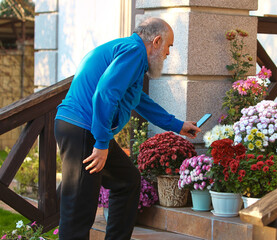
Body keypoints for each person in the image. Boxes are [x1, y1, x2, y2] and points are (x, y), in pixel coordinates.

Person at [54, 17, 201, 240]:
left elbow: (138, 99)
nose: (168, 54)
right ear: (157, 41)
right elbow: (105, 93)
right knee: (78, 211)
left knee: (127, 180)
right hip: (83, 130)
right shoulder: (134, 52)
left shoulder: (129, 52)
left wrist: (177, 125)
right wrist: (102, 143)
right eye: (169, 47)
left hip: (84, 129)